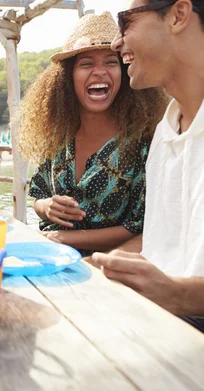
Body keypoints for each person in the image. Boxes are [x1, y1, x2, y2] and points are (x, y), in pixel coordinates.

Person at [92, 0, 204, 349]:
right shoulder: (167, 132)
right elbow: (176, 255)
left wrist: (179, 295)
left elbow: (177, 288)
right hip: (167, 329)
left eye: (125, 23)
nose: (116, 42)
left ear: (178, 15)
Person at [20, 12, 168, 256]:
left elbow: (141, 227)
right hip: (53, 266)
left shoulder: (144, 141)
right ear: (67, 78)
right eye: (86, 64)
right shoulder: (59, 137)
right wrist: (47, 207)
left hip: (109, 275)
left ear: (124, 71)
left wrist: (63, 238)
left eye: (111, 62)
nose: (99, 72)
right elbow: (38, 194)